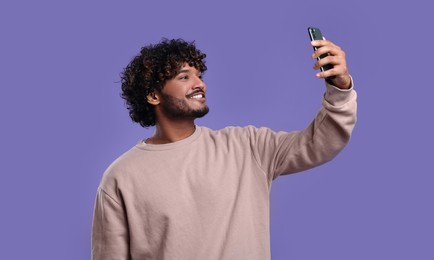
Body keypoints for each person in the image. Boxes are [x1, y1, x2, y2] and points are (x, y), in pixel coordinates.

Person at [92, 38, 357, 260]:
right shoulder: (121, 177)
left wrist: (340, 88)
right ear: (153, 96)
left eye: (199, 75)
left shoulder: (247, 147)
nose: (200, 83)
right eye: (184, 77)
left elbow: (321, 141)